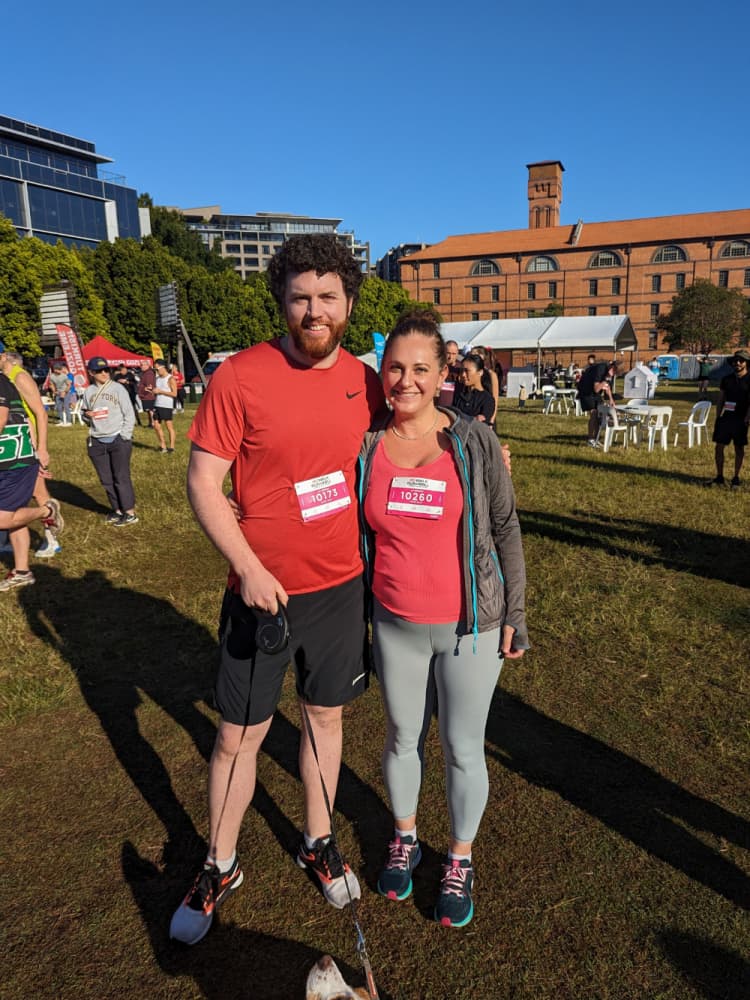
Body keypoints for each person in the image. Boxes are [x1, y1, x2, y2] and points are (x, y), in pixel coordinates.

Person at [170, 233, 385, 946]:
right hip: (261, 593)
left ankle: (317, 843)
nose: (314, 310)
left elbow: (408, 443)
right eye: (300, 298)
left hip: (340, 589)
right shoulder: (240, 377)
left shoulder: (366, 378)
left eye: (328, 296)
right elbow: (202, 482)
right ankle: (219, 864)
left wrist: (477, 446)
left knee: (325, 719)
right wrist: (250, 567)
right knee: (239, 736)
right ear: (282, 303)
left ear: (349, 302)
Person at [358, 308, 528, 928]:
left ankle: (459, 857)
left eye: (420, 369)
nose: (406, 381)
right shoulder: (368, 442)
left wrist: (516, 611)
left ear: (442, 373)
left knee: (462, 748)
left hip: (471, 627)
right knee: (402, 737)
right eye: (395, 368)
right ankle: (404, 837)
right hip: (393, 622)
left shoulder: (475, 440)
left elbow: (505, 527)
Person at [0, 367, 63, 590]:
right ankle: (22, 571)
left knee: (3, 520)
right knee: (14, 517)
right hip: (11, 459)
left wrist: (41, 448)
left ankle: (47, 511)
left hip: (13, 461)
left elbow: (1, 419)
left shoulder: (5, 381)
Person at [81, 356, 138, 525]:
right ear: (91, 373)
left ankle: (129, 513)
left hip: (118, 438)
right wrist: (86, 416)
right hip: (97, 440)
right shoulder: (88, 392)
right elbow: (86, 417)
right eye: (100, 371)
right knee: (106, 479)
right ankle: (117, 509)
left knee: (121, 477)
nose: (104, 373)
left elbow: (129, 413)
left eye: (106, 370)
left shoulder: (118, 388)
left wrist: (124, 436)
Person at [708, 349, 750, 488]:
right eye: (735, 361)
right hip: (726, 417)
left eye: (741, 361)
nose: (737, 363)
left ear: (746, 363)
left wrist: (747, 417)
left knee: (739, 448)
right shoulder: (727, 379)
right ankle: (719, 477)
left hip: (741, 419)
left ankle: (736, 478)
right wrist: (718, 416)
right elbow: (721, 399)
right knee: (719, 447)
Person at [577, 358, 617, 447]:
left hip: (595, 393)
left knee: (599, 415)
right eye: (614, 370)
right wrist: (605, 380)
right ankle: (590, 439)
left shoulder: (609, 373)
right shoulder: (601, 369)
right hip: (586, 391)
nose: (614, 372)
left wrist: (611, 399)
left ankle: (596, 438)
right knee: (594, 413)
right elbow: (596, 389)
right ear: (611, 366)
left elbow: (607, 387)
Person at [454, 353, 495, 425]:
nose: (463, 374)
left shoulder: (487, 399)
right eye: (462, 370)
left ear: (480, 372)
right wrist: (472, 419)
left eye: (467, 371)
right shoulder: (459, 394)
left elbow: (481, 425)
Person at [152, 359, 177, 453]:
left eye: (157, 369)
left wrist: (160, 391)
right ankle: (163, 446)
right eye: (155, 369)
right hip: (157, 404)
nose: (156, 371)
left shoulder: (170, 379)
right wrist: (152, 390)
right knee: (156, 425)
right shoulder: (157, 379)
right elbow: (158, 390)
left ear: (163, 368)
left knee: (169, 426)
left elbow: (174, 394)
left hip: (166, 405)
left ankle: (172, 447)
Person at [136, 358, 156, 428]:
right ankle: (150, 423)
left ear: (147, 365)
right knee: (148, 410)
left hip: (149, 395)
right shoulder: (145, 373)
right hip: (145, 395)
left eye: (142, 365)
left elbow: (149, 386)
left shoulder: (149, 373)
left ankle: (153, 423)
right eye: (141, 365)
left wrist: (143, 389)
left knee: (150, 410)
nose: (141, 366)